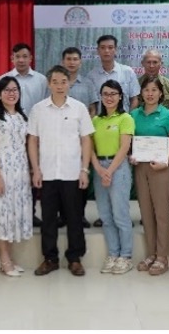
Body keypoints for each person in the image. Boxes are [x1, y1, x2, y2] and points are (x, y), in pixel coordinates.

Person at [28, 65, 94, 277]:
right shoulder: (38, 109)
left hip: (72, 173)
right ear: (49, 84)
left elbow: (86, 140)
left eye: (63, 82)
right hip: (47, 173)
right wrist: (35, 169)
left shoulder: (79, 108)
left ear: (69, 84)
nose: (59, 86)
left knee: (74, 218)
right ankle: (50, 259)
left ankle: (75, 259)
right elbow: (32, 140)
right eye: (55, 82)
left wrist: (84, 169)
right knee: (48, 219)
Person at [0, 77, 32, 277]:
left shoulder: (21, 115)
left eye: (15, 89)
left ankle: (9, 257)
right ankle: (3, 259)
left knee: (13, 214)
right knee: (1, 213)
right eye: (7, 90)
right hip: (1, 170)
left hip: (20, 172)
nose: (11, 93)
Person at [129, 77, 169, 276]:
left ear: (160, 93)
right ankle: (151, 254)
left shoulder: (168, 115)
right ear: (141, 93)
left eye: (154, 90)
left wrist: (166, 161)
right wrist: (131, 155)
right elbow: (129, 142)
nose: (150, 94)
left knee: (162, 213)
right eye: (146, 90)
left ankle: (162, 257)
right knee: (146, 212)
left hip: (161, 169)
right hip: (140, 168)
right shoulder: (134, 115)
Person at [0, 43, 49, 227]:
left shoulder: (41, 80)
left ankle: (31, 212)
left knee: (33, 171)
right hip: (11, 133)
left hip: (35, 133)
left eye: (24, 56)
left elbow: (46, 106)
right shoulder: (4, 79)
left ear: (31, 58)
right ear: (12, 58)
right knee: (14, 173)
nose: (21, 60)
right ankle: (12, 211)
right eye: (17, 56)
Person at [91, 80, 135, 275]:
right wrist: (99, 169)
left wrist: (109, 171)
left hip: (118, 168)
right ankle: (113, 254)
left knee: (120, 215)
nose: (109, 97)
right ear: (101, 97)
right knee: (106, 216)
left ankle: (126, 256)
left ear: (120, 97)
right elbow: (90, 148)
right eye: (105, 94)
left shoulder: (125, 118)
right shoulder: (95, 121)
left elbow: (124, 147)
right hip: (99, 168)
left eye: (113, 94)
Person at [61, 47, 97, 228]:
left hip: (81, 138)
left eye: (75, 59)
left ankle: (80, 215)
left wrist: (85, 130)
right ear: (63, 61)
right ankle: (62, 215)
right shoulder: (56, 82)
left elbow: (93, 109)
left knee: (81, 175)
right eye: (68, 59)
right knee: (61, 177)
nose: (72, 62)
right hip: (60, 139)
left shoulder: (88, 84)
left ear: (80, 62)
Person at [86, 34, 141, 113]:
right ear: (98, 50)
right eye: (103, 47)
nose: (106, 51)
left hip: (123, 118)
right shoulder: (91, 76)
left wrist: (129, 117)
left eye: (110, 47)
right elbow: (92, 105)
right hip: (101, 119)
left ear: (116, 50)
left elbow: (134, 99)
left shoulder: (128, 72)